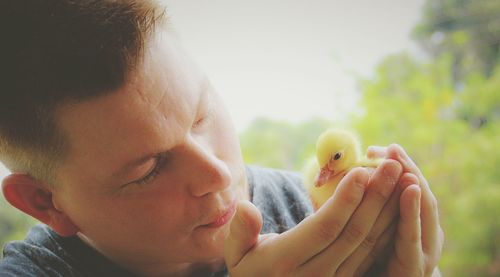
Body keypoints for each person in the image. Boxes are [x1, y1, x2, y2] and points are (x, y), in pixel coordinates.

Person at [0, 1, 443, 276]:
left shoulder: (321, 204)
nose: (217, 173)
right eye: (149, 169)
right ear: (45, 201)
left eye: (201, 114)